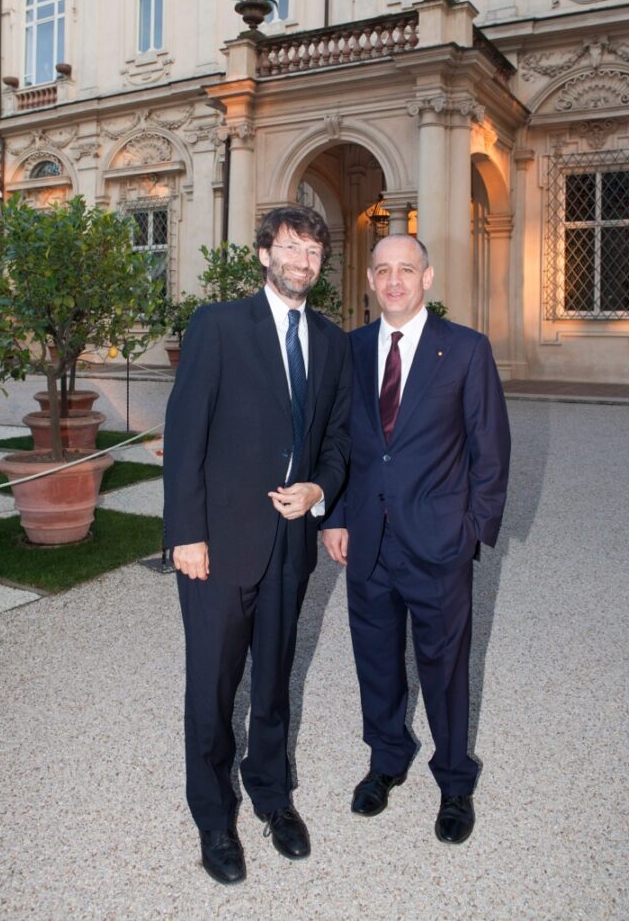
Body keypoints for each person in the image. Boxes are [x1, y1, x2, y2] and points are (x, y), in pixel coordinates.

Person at [163, 205, 350, 886]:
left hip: (290, 544)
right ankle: (214, 816)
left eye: (314, 252)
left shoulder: (331, 342)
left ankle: (271, 794)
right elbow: (186, 432)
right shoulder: (217, 326)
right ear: (265, 253)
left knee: (273, 679)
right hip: (215, 543)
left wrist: (319, 492)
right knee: (212, 687)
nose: (303, 261)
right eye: (292, 247)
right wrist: (185, 532)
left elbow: (337, 438)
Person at [322, 234, 510, 846]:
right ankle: (387, 758)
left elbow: (490, 449)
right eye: (383, 270)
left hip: (438, 543)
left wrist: (472, 532)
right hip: (368, 541)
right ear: (370, 281)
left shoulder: (465, 350)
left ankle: (455, 778)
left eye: (407, 269)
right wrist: (336, 517)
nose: (395, 280)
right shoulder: (349, 351)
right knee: (375, 661)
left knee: (445, 667)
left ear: (427, 277)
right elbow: (345, 447)